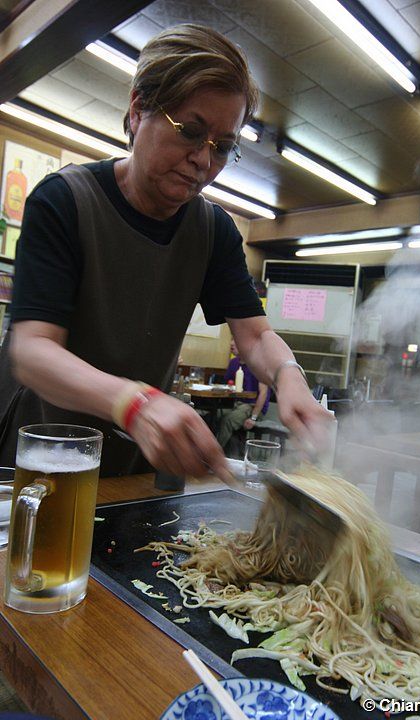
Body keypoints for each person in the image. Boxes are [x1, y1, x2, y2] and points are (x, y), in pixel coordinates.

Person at [0, 23, 332, 479]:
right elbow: (33, 350)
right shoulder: (65, 201)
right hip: (41, 456)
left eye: (223, 148)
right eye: (191, 132)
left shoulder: (213, 231)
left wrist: (290, 377)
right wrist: (135, 403)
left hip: (132, 464)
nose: (203, 160)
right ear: (139, 110)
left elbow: (254, 336)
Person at [216, 340, 270, 451]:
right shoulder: (233, 363)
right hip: (234, 403)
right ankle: (221, 451)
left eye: (236, 340)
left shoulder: (258, 364)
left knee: (228, 420)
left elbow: (263, 393)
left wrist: (253, 418)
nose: (231, 343)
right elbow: (227, 385)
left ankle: (212, 455)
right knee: (213, 415)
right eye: (231, 340)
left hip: (253, 406)